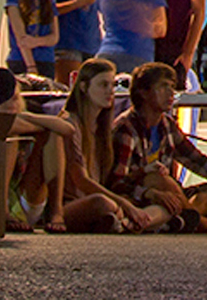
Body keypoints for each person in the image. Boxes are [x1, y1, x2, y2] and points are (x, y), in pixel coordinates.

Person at [105, 62, 207, 232]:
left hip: (169, 196)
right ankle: (204, 223)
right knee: (158, 178)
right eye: (163, 87)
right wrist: (150, 192)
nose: (171, 93)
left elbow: (197, 159)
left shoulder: (167, 125)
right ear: (143, 93)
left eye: (172, 87)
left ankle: (178, 219)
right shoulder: (126, 128)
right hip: (138, 195)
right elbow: (116, 183)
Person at [34, 57, 155, 233]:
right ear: (83, 87)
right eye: (103, 85)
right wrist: (123, 204)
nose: (110, 91)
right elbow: (81, 180)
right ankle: (124, 220)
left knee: (153, 201)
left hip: (99, 199)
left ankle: (122, 222)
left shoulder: (102, 127)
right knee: (103, 203)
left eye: (112, 85)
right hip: (71, 203)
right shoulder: (70, 123)